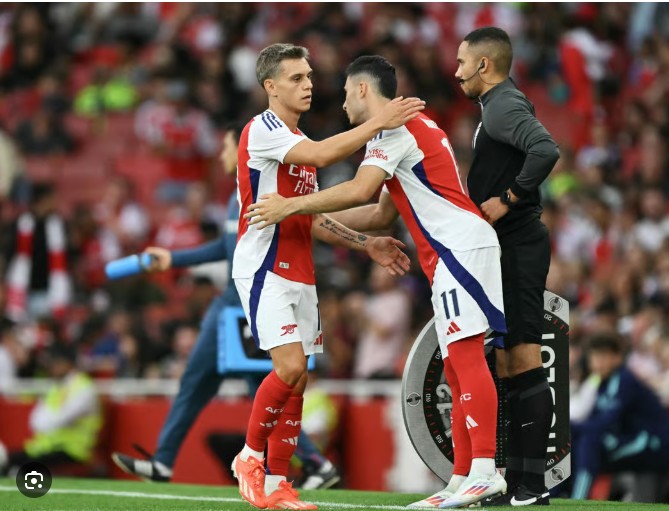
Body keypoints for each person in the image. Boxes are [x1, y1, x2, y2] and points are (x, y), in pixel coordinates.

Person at [247, 54, 507, 509]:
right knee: (453, 365)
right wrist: (313, 221)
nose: (343, 102)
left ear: (363, 89)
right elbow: (379, 213)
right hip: (450, 252)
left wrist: (291, 205)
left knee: (466, 358)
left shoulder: (394, 131)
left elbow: (359, 189)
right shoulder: (407, 131)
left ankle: (485, 471)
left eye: (346, 92)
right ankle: (461, 478)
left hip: (459, 248)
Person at [111, 123, 400, 489]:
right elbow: (226, 248)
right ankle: (165, 461)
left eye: (226, 146)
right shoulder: (236, 196)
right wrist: (173, 259)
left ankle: (309, 462)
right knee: (200, 382)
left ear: (242, 148)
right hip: (230, 306)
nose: (221, 154)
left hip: (253, 299)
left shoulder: (262, 186)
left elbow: (301, 224)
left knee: (267, 382)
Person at [231, 44, 423, 510]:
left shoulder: (296, 141)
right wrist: (378, 121)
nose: (308, 84)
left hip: (300, 271)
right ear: (270, 86)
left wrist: (366, 243)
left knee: (299, 381)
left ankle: (278, 485)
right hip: (263, 266)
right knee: (289, 367)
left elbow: (313, 219)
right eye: (296, 78)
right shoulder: (264, 130)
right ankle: (249, 457)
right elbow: (320, 155)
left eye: (310, 76)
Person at [454, 27, 560, 506]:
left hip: (518, 244)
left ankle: (533, 485)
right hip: (508, 246)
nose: (457, 71)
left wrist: (508, 198)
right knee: (506, 362)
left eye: (462, 62)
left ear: (484, 65)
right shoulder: (495, 106)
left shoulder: (501, 105)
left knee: (524, 359)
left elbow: (546, 149)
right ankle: (515, 483)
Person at [569, 334, 669, 502]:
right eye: (594, 357)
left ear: (617, 357)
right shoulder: (600, 382)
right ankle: (557, 495)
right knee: (578, 442)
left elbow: (606, 422)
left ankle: (577, 501)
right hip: (630, 440)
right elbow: (595, 419)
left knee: (590, 442)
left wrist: (569, 427)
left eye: (603, 356)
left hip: (654, 444)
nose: (598, 362)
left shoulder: (624, 380)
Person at [0, 343, 102, 477]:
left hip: (74, 451)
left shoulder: (84, 389)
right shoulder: (57, 387)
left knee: (18, 466)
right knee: (9, 460)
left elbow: (59, 420)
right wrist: (46, 422)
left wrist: (46, 422)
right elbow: (35, 422)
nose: (51, 367)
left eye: (54, 363)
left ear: (67, 363)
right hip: (47, 448)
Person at [4, 182, 72, 322]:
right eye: (51, 199)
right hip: (24, 291)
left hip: (50, 292)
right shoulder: (20, 224)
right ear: (42, 200)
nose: (54, 203)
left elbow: (66, 258)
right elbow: (10, 256)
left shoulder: (59, 225)